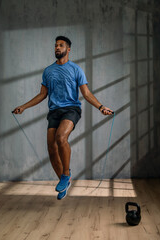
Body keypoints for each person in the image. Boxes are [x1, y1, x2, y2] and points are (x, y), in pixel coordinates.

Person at [13, 36, 113, 200]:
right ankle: (64, 183)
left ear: (68, 49)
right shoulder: (48, 71)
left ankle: (66, 175)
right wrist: (23, 107)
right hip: (54, 111)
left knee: (61, 137)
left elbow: (86, 93)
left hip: (71, 109)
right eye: (55, 46)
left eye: (60, 45)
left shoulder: (76, 69)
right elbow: (42, 95)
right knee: (52, 149)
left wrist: (101, 107)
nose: (57, 48)